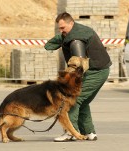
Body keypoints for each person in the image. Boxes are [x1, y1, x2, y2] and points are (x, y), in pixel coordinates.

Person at [44, 12, 112, 142]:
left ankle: (71, 133)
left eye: (63, 28)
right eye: (59, 28)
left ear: (71, 23)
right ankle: (89, 132)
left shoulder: (76, 40)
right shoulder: (74, 32)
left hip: (95, 71)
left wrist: (65, 81)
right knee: (83, 101)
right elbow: (59, 40)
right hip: (99, 69)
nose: (61, 30)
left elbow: (78, 64)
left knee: (75, 99)